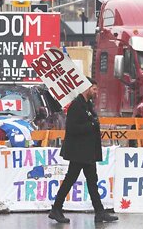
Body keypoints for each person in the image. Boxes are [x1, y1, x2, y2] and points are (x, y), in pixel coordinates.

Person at [48, 77, 118, 223]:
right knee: (70, 179)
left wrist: (93, 124)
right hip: (79, 152)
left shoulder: (88, 105)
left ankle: (99, 212)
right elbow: (72, 129)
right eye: (94, 89)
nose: (96, 92)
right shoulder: (76, 106)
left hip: (88, 151)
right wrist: (91, 125)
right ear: (86, 88)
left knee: (92, 181)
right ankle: (56, 209)